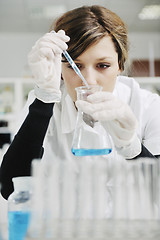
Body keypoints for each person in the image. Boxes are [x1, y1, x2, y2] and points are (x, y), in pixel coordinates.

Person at [0, 5, 160, 200]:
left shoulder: (148, 105)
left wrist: (132, 147)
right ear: (60, 68)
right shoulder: (43, 104)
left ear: (120, 65)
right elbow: (10, 188)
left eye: (103, 66)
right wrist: (45, 99)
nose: (89, 80)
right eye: (75, 66)